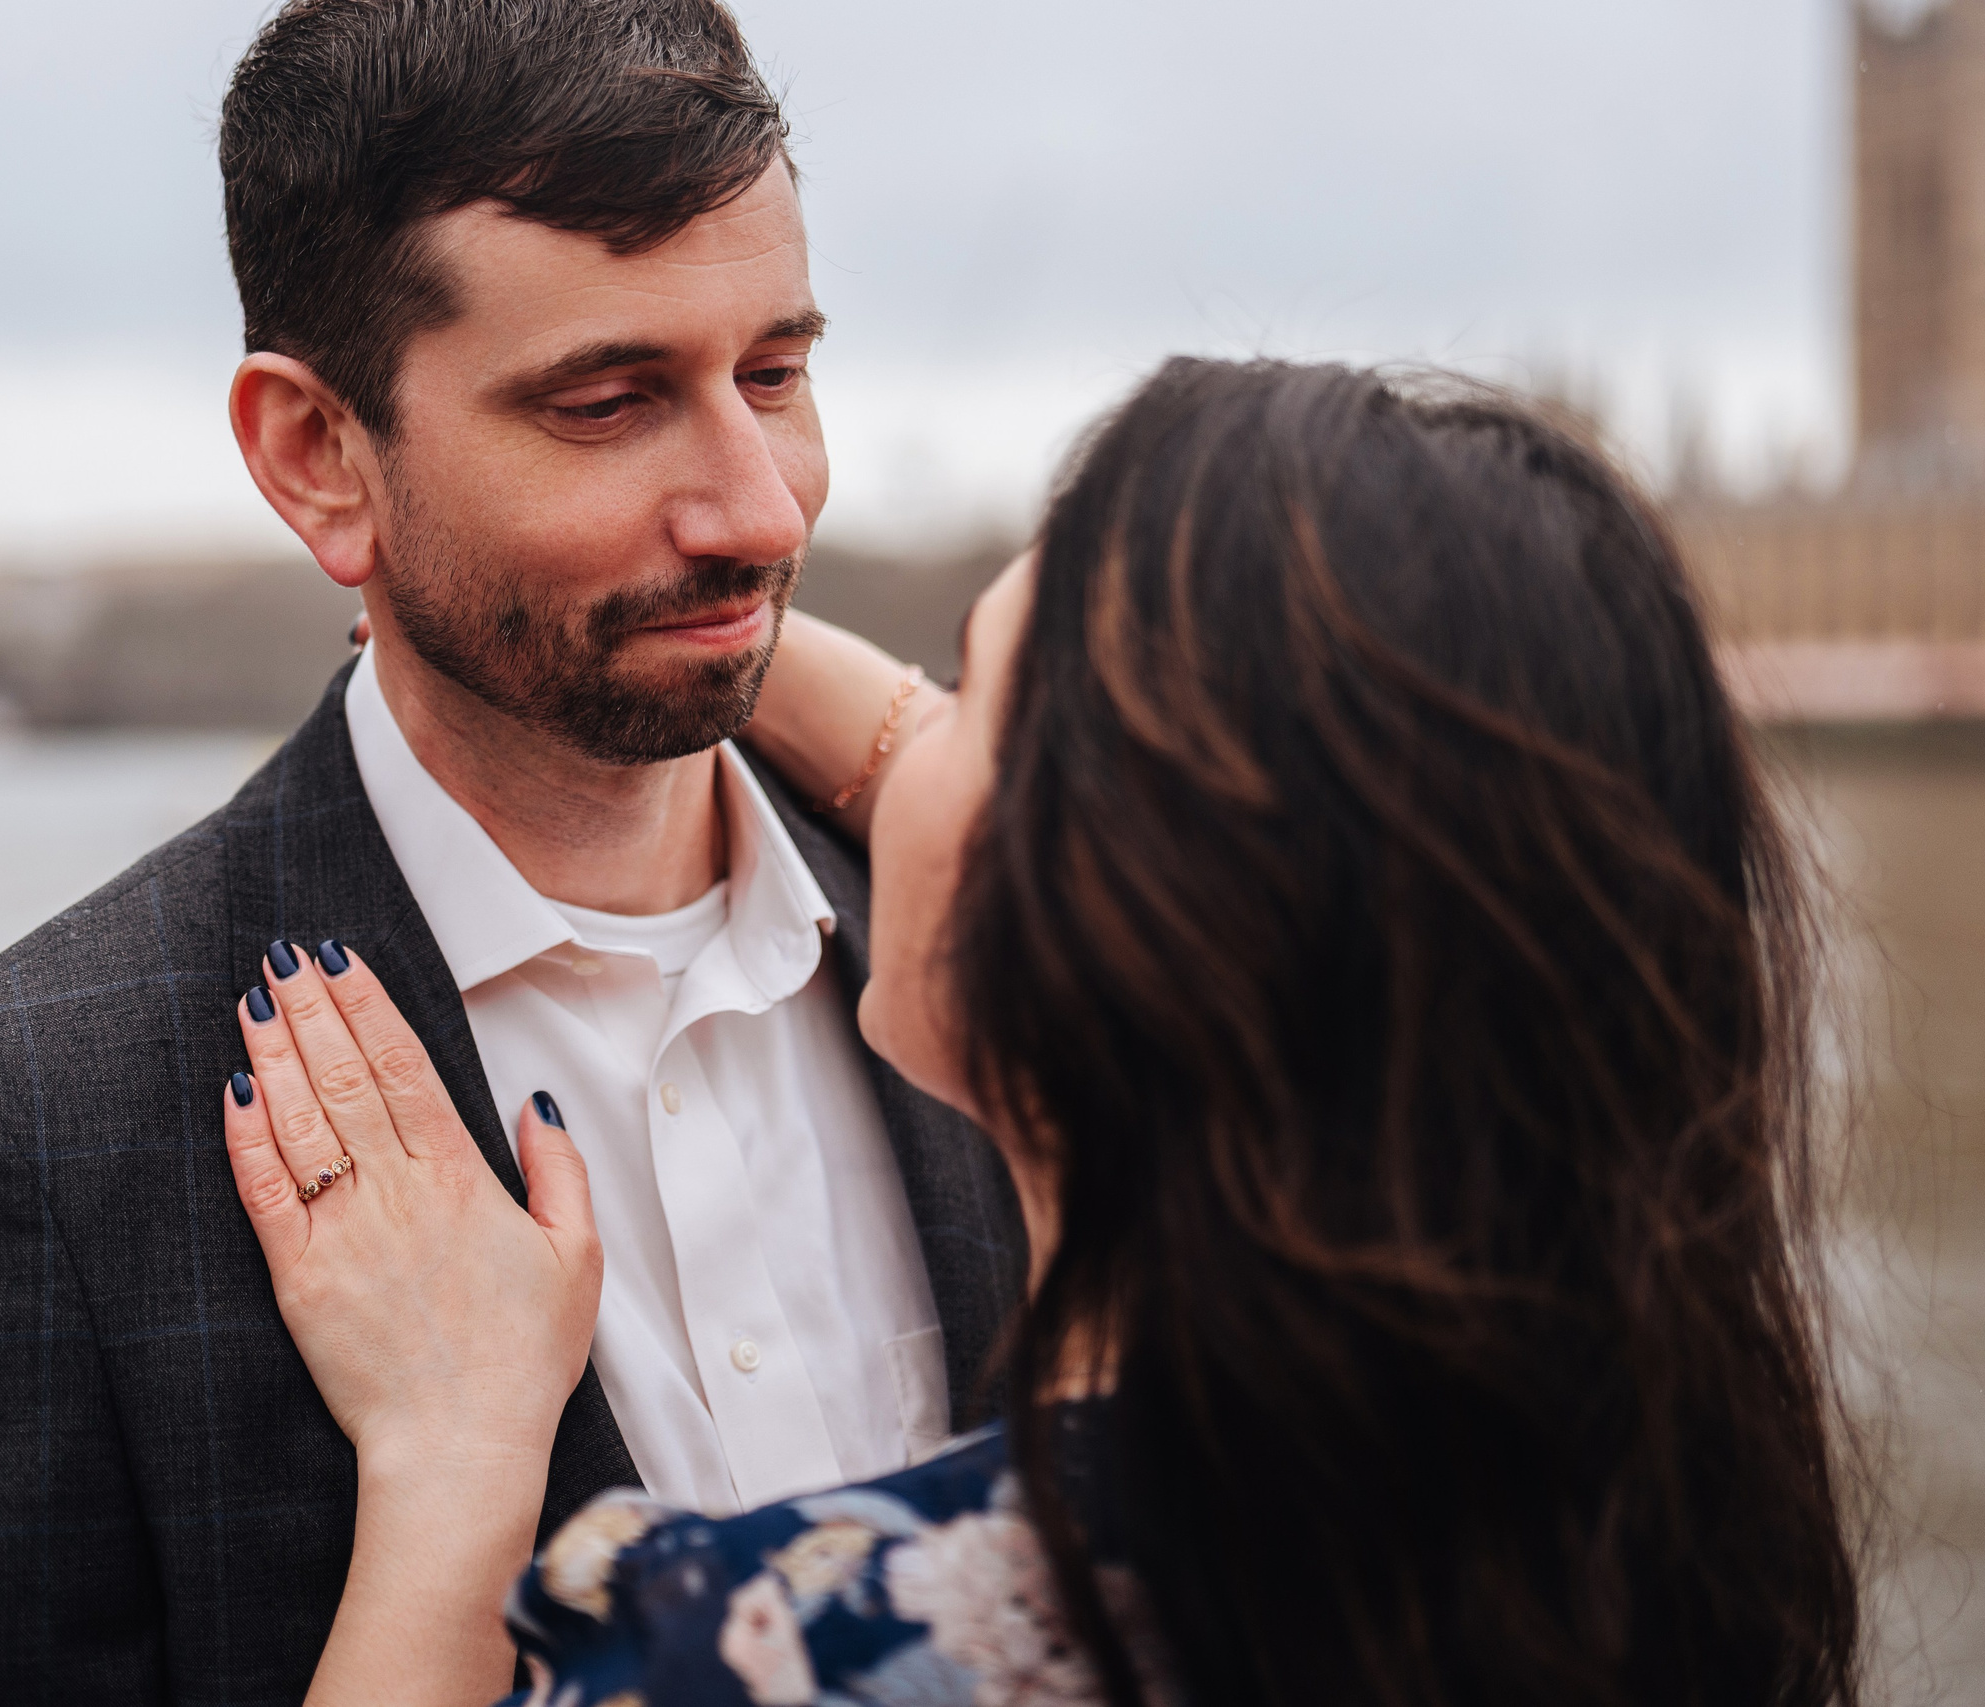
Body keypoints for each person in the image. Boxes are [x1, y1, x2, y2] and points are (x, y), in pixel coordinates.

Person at [219, 358, 1868, 1705]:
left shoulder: (765, 1658)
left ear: (1114, 910)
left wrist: (450, 1464)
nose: (896, 742)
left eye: (969, 694)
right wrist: (676, 625)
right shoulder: (1651, 1557)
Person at [0, 3, 1025, 1699]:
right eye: (609, 401)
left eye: (775, 374)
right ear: (320, 456)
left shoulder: (1004, 958)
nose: (761, 510)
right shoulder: (21, 1144)